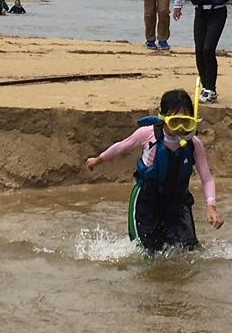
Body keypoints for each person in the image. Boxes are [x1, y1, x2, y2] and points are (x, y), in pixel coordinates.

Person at [85, 88, 223, 252]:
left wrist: (211, 206)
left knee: (188, 249)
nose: (180, 128)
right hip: (147, 197)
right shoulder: (147, 133)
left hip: (176, 200)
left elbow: (206, 178)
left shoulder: (194, 144)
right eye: (175, 122)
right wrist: (98, 159)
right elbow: (121, 147)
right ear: (163, 118)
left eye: (185, 122)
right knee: (147, 251)